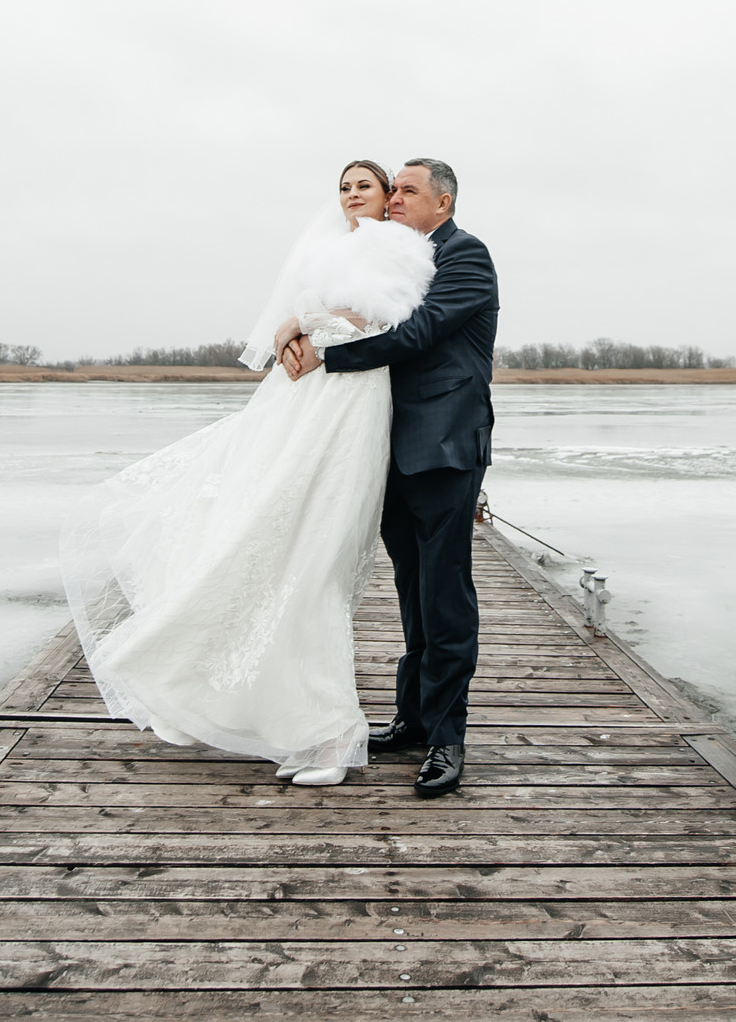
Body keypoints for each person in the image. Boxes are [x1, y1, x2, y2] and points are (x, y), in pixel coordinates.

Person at [61, 159, 433, 788]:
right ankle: (257, 706)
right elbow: (322, 318)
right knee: (267, 538)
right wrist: (297, 325)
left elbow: (384, 322)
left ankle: (330, 733)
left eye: (368, 186)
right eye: (346, 188)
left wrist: (306, 323)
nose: (356, 196)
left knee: (316, 560)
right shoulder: (330, 250)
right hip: (304, 400)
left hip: (350, 403)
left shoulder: (400, 248)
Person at [279, 158, 498, 799]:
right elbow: (359, 306)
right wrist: (303, 319)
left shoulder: (465, 257)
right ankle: (412, 717)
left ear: (444, 202)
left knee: (446, 591)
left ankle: (447, 737)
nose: (394, 198)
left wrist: (327, 352)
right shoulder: (393, 252)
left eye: (407, 190)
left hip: (444, 446)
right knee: (410, 587)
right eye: (393, 189)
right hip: (382, 445)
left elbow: (420, 331)